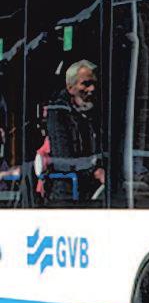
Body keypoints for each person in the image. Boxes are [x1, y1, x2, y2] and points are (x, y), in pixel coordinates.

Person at [42, 59, 104, 202]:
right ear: (71, 88)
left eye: (94, 83)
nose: (92, 89)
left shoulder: (94, 113)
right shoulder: (58, 113)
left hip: (94, 193)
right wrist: (94, 171)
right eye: (86, 84)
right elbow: (62, 160)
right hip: (67, 195)